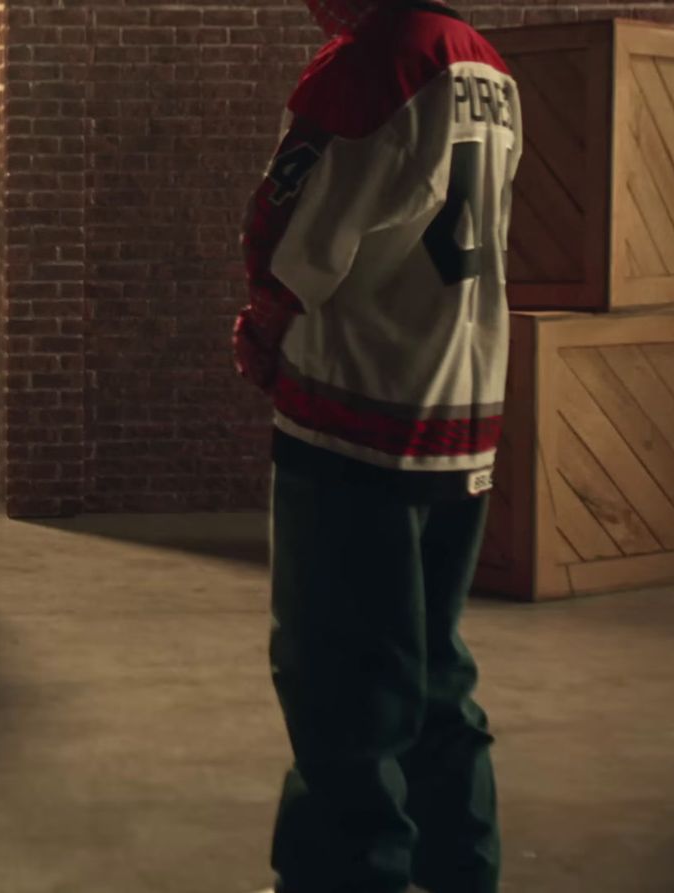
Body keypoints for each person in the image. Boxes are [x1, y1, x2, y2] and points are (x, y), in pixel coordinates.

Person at [233, 1, 522, 891]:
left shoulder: (370, 64)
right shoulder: (489, 68)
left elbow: (289, 227)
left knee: (341, 686)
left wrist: (265, 323)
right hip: (460, 409)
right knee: (435, 673)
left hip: (358, 412)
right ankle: (462, 871)